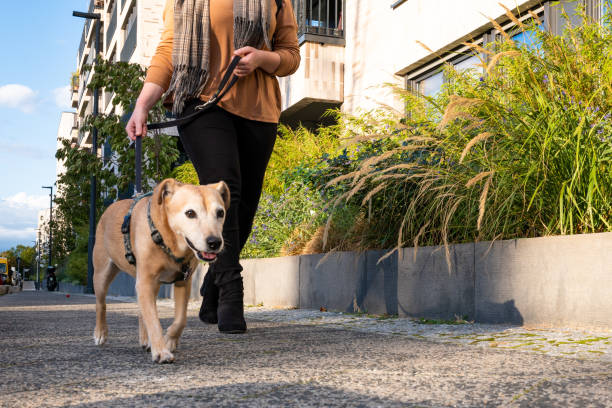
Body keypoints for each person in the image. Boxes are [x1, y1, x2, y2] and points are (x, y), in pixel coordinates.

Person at [125, 0, 300, 333]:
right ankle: (232, 295)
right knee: (225, 189)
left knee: (243, 207)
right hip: (201, 102)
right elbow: (169, 49)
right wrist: (143, 103)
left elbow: (290, 55)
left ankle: (212, 289)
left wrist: (263, 59)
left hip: (259, 110)